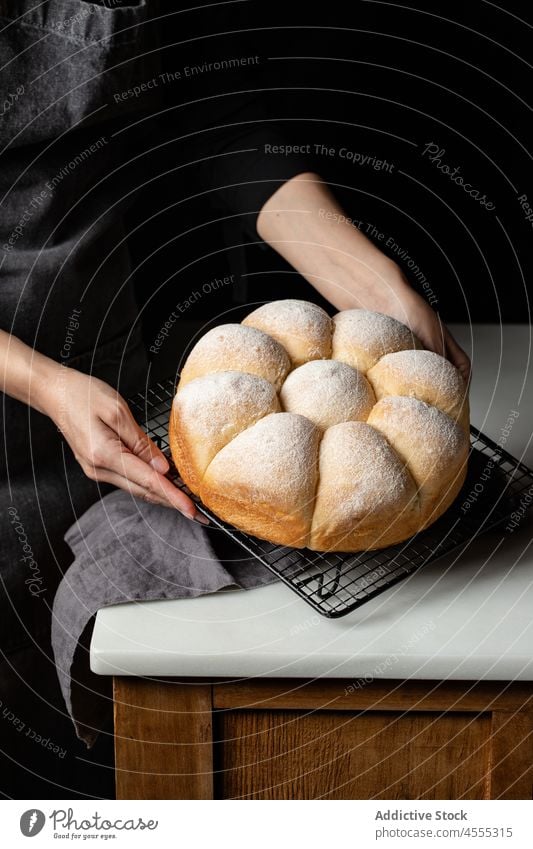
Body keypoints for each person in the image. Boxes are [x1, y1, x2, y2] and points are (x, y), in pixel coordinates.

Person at [0, 1, 469, 797]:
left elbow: (214, 119)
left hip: (109, 377)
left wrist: (368, 277)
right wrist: (41, 382)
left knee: (119, 721)